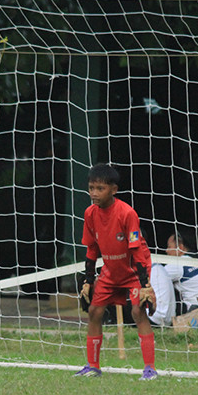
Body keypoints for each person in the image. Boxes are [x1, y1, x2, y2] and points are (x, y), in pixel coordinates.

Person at [75, 163, 159, 380]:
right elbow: (92, 248)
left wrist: (145, 285)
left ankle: (150, 369)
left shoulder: (127, 213)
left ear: (113, 189)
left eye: (100, 188)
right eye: (91, 188)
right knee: (94, 312)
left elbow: (137, 251)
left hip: (133, 271)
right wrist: (88, 280)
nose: (94, 193)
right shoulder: (90, 213)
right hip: (110, 272)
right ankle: (92, 366)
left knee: (138, 312)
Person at [162, 230, 198, 316]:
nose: (166, 251)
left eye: (169, 247)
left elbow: (156, 277)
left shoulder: (178, 264)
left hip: (197, 312)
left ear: (180, 248)